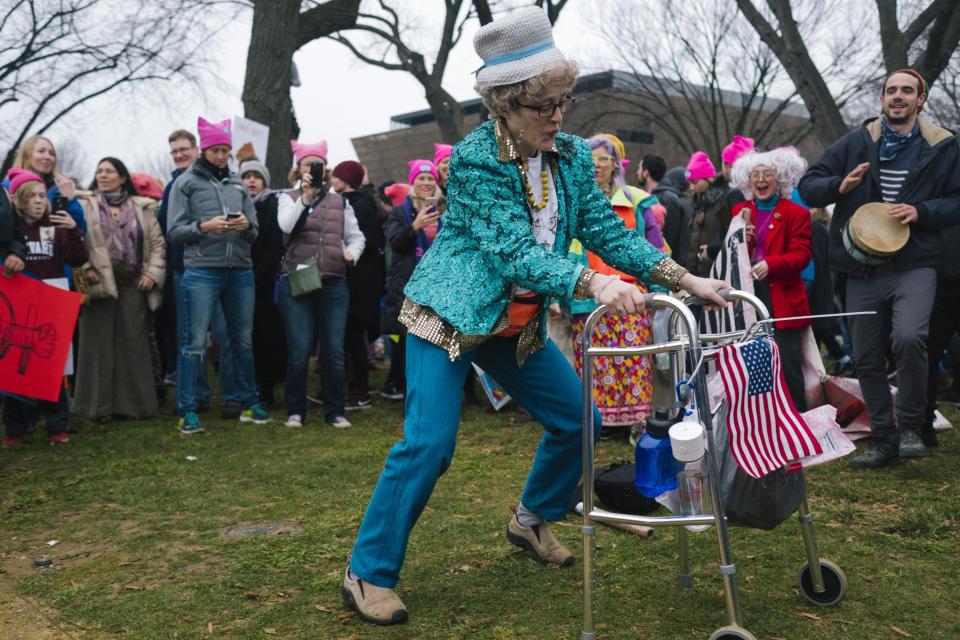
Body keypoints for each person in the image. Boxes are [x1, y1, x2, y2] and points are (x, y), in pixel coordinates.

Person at [339, 7, 727, 625]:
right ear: (503, 103)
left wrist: (685, 277)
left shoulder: (572, 157)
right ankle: (368, 572)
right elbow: (513, 250)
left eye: (562, 103)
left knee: (581, 422)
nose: (555, 116)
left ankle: (531, 519)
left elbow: (609, 231)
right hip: (451, 316)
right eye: (541, 105)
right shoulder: (472, 162)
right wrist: (590, 280)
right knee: (430, 445)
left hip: (513, 324)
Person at [798, 68, 960, 467]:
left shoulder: (942, 145)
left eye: (907, 91)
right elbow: (808, 184)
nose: (898, 96)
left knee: (909, 337)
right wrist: (841, 186)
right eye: (891, 91)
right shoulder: (858, 142)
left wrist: (921, 211)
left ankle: (910, 426)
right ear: (883, 99)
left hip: (915, 262)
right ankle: (884, 438)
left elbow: (957, 201)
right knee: (867, 354)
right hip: (861, 266)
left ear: (920, 100)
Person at [167, 117, 268, 434]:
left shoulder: (238, 183)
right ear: (204, 151)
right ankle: (187, 411)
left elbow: (255, 231)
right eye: (216, 151)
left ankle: (249, 404)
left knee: (243, 341)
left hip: (240, 271)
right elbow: (173, 231)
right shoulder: (185, 183)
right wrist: (203, 227)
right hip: (201, 272)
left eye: (226, 150)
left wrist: (245, 227)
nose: (222, 156)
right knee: (194, 342)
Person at [562, 134, 662, 434]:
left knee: (633, 361)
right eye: (590, 161)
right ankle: (598, 423)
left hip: (631, 295)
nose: (596, 166)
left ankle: (635, 422)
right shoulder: (572, 200)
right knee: (594, 362)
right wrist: (559, 293)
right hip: (586, 296)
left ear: (616, 165)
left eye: (603, 160)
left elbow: (654, 247)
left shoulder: (636, 200)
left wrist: (661, 288)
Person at [275, 140, 365, 429]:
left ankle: (335, 410)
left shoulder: (341, 201)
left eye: (316, 164)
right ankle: (296, 409)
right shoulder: (286, 197)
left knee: (334, 350)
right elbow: (287, 226)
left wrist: (353, 252)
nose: (311, 169)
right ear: (297, 169)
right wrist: (305, 196)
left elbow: (357, 236)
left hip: (334, 283)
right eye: (306, 164)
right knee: (300, 349)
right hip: (298, 281)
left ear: (325, 169)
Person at [70, 158, 166, 420]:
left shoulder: (142, 208)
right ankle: (97, 408)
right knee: (97, 345)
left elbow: (157, 245)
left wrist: (151, 274)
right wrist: (85, 266)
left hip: (133, 284)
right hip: (97, 281)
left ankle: (132, 406)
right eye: (99, 170)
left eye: (109, 171)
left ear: (122, 177)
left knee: (133, 345)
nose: (102, 175)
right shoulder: (83, 204)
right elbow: (75, 239)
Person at [2, 168, 86, 447]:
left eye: (43, 195)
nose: (39, 201)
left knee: (52, 369)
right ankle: (15, 431)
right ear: (17, 199)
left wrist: (73, 231)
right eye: (32, 196)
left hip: (52, 302)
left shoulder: (55, 226)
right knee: (16, 370)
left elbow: (77, 259)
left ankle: (57, 426)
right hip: (18, 304)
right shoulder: (9, 231)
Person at [731, 148, 812, 411]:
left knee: (787, 360)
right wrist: (743, 237)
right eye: (756, 175)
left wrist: (772, 264)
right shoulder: (739, 211)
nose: (761, 180)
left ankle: (796, 415)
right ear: (749, 180)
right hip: (748, 295)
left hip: (783, 298)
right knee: (752, 358)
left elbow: (802, 255)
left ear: (780, 180)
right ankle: (759, 416)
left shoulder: (796, 213)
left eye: (768, 174)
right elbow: (730, 252)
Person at [379, 159, 445, 402]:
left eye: (430, 178)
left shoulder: (445, 208)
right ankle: (411, 399)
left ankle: (435, 397)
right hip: (408, 287)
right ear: (412, 182)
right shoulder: (400, 212)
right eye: (421, 178)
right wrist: (415, 226)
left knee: (436, 345)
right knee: (410, 347)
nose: (426, 182)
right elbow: (395, 244)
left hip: (438, 287)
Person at [331, 160, 384, 410]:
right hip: (352, 278)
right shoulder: (350, 201)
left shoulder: (359, 204)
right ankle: (346, 386)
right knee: (347, 337)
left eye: (336, 176)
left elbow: (367, 240)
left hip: (358, 280)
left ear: (347, 179)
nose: (331, 180)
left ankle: (359, 389)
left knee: (353, 337)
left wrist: (349, 253)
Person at [241, 158, 286, 407]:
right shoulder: (235, 204)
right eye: (246, 176)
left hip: (264, 282)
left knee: (266, 335)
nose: (251, 180)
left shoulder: (273, 204)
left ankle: (267, 387)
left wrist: (258, 276)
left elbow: (274, 244)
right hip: (239, 278)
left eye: (256, 176)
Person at [7, 136, 86, 231]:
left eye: (52, 153)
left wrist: (70, 199)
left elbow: (81, 231)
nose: (48, 157)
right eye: (41, 151)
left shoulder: (58, 190)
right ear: (26, 156)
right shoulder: (8, 187)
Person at [640, 155, 692, 265]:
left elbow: (669, 239)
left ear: (646, 172)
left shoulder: (669, 198)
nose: (637, 172)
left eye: (639, 168)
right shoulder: (645, 197)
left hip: (664, 264)